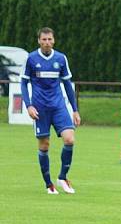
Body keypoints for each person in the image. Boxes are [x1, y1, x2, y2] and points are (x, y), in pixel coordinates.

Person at [20, 27, 81, 195]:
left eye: (49, 39)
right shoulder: (31, 59)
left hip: (59, 107)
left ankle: (62, 177)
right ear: (39, 41)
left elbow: (68, 85)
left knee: (69, 139)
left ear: (54, 40)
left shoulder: (61, 58)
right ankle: (48, 184)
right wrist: (29, 105)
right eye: (44, 39)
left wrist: (75, 110)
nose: (47, 42)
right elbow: (24, 83)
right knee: (44, 144)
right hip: (40, 109)